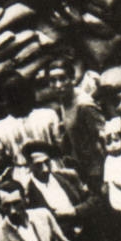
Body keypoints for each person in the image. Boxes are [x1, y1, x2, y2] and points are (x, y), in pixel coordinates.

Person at [0, 72, 64, 187]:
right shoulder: (48, 115)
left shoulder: (0, 128)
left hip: (24, 176)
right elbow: (60, 145)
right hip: (52, 168)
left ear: (6, 100)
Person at [41, 58, 107, 190]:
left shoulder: (84, 105)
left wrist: (105, 175)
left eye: (62, 79)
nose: (58, 85)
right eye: (53, 81)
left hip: (98, 169)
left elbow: (104, 137)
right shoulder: (64, 100)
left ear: (72, 79)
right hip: (83, 167)